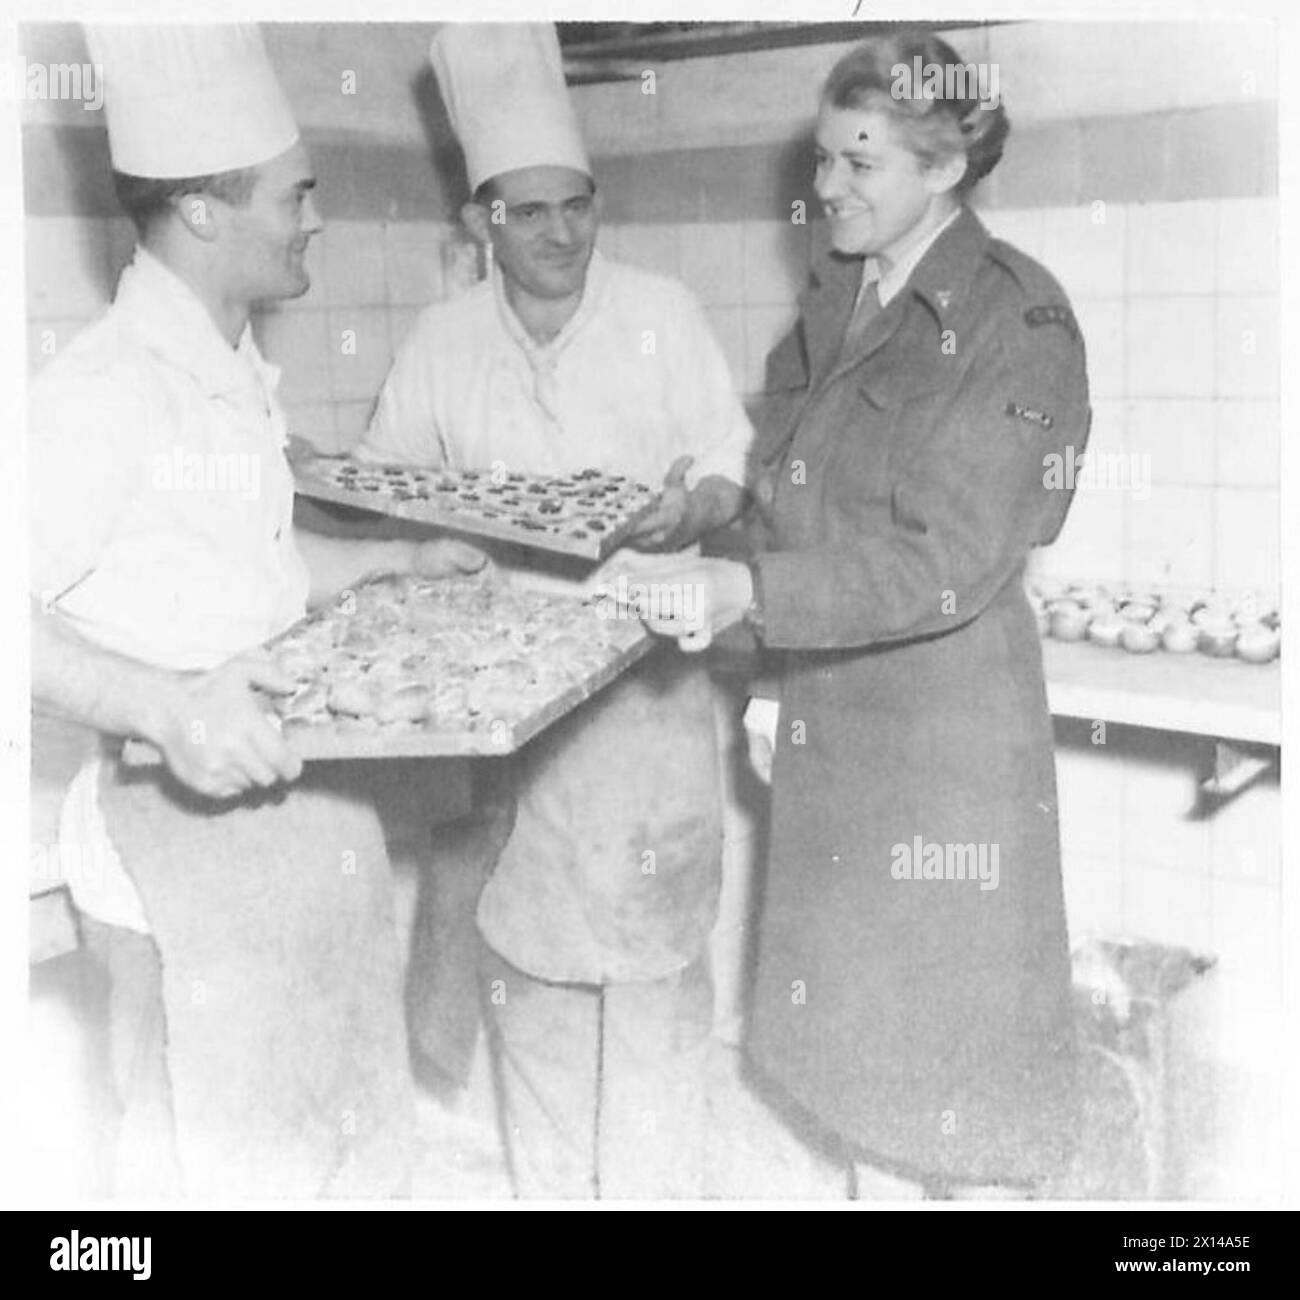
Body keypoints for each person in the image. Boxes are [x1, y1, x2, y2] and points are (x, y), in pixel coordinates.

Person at [29, 23, 484, 1198]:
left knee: (332, 1131)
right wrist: (167, 710)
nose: (317, 219)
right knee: (203, 1160)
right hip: (167, 830)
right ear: (202, 215)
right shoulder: (103, 393)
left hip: (290, 806)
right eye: (296, 197)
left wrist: (390, 563)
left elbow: (250, 561)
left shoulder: (227, 373)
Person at [635, 31, 1089, 1198]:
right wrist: (724, 580)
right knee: (856, 1079)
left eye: (859, 161)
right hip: (832, 724)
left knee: (963, 1091)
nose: (825, 185)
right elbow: (789, 490)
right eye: (825, 158)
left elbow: (952, 555)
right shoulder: (836, 300)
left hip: (946, 751)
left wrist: (756, 595)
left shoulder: (1017, 319)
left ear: (942, 168)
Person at [358, 23, 754, 1197]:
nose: (560, 234)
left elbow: (726, 461)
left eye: (577, 205)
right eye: (527, 214)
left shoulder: (660, 312)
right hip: (504, 720)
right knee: (522, 977)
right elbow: (391, 485)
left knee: (653, 984)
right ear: (482, 223)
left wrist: (690, 512)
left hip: (645, 707)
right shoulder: (441, 343)